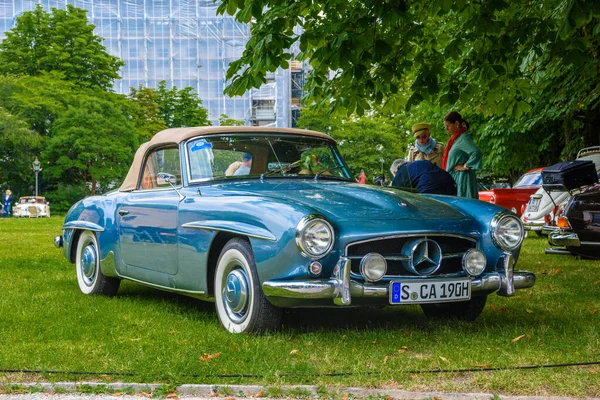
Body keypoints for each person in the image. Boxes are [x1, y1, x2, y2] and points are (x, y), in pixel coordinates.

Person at [441, 111, 482, 199]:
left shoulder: (463, 138)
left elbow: (476, 152)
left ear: (456, 123)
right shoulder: (456, 139)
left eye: (448, 126)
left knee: (463, 205)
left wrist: (465, 166)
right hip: (456, 179)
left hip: (462, 179)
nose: (446, 129)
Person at [390, 159, 457, 195]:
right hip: (450, 182)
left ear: (395, 172)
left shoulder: (400, 173)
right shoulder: (420, 162)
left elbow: (398, 195)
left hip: (430, 189)